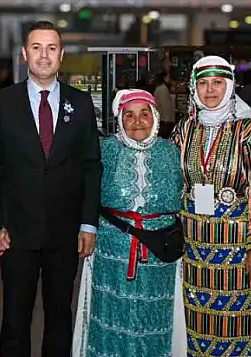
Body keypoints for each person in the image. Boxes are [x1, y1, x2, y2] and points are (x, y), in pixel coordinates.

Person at [0, 20, 102, 357]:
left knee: (59, 317)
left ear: (61, 55)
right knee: (15, 319)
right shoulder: (3, 102)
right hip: (16, 233)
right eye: (36, 47)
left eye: (51, 48)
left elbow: (91, 167)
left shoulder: (80, 104)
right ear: (24, 54)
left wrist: (88, 223)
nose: (44, 55)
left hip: (65, 234)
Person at [72, 89, 185, 357]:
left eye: (144, 114)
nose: (137, 121)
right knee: (113, 315)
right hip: (112, 253)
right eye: (129, 115)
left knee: (154, 317)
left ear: (155, 117)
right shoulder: (104, 150)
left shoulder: (172, 151)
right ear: (119, 119)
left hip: (159, 254)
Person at [174, 55, 251, 357]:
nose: (210, 90)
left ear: (229, 86)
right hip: (192, 246)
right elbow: (175, 184)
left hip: (236, 247)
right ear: (194, 88)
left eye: (218, 83)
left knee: (235, 320)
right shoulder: (183, 130)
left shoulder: (248, 132)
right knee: (196, 317)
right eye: (203, 83)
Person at [153, 72, 177, 139]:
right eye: (168, 77)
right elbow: (165, 106)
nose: (170, 79)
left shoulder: (161, 88)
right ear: (164, 78)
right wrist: (169, 119)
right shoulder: (162, 89)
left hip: (163, 119)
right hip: (165, 120)